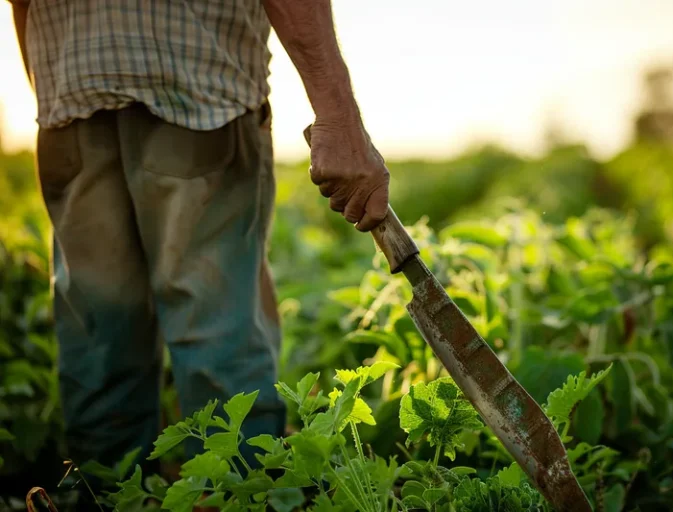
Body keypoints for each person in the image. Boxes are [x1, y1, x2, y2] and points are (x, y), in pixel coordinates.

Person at [8, 0, 390, 476]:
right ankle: (239, 495)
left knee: (98, 343)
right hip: (196, 82)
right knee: (220, 339)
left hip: (71, 87)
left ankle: (110, 497)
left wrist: (55, 94)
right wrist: (338, 114)